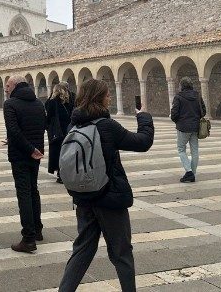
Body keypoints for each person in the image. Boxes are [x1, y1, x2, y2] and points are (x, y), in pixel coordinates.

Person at [58, 79, 154, 292]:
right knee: (122, 253)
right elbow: (142, 142)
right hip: (109, 198)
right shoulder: (106, 126)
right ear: (99, 98)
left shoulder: (73, 125)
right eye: (107, 94)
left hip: (84, 197)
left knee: (82, 250)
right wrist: (144, 116)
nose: (110, 97)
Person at [3, 75, 46, 253]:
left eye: (7, 86)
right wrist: (34, 149)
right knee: (33, 190)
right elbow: (39, 125)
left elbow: (14, 130)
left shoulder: (10, 104)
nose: (6, 89)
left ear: (14, 85)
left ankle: (28, 238)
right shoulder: (38, 103)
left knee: (24, 193)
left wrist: (28, 149)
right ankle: (37, 230)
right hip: (35, 153)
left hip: (22, 154)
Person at [170, 76, 206, 183]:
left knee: (181, 149)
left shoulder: (178, 97)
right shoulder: (197, 96)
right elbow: (203, 111)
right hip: (195, 127)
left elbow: (174, 113)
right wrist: (196, 118)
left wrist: (178, 121)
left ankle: (189, 172)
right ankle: (192, 173)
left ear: (182, 86)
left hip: (183, 127)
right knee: (194, 150)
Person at [45, 83, 74, 183]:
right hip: (70, 129)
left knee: (59, 152)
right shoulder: (72, 98)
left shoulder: (53, 101)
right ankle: (69, 173)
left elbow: (48, 116)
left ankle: (61, 174)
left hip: (58, 131)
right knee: (69, 152)